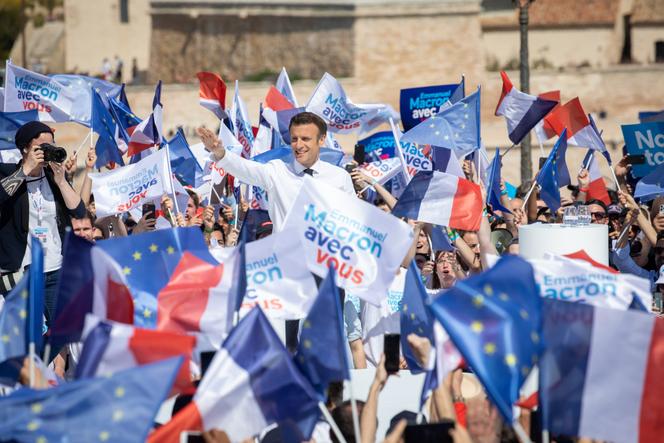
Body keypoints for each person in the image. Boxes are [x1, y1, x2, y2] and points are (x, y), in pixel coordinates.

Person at [197, 112, 355, 232]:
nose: (298, 145)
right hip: (286, 263)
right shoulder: (277, 171)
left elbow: (354, 220)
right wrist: (219, 152)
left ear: (321, 140)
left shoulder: (340, 177)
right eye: (294, 139)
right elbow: (244, 168)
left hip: (326, 262)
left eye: (305, 139)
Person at [0, 121, 85, 326]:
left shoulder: (53, 178)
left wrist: (62, 181)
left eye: (51, 145)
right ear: (25, 149)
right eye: (41, 147)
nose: (47, 151)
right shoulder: (6, 172)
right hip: (21, 272)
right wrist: (26, 169)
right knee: (29, 334)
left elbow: (79, 211)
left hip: (55, 268)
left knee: (57, 332)